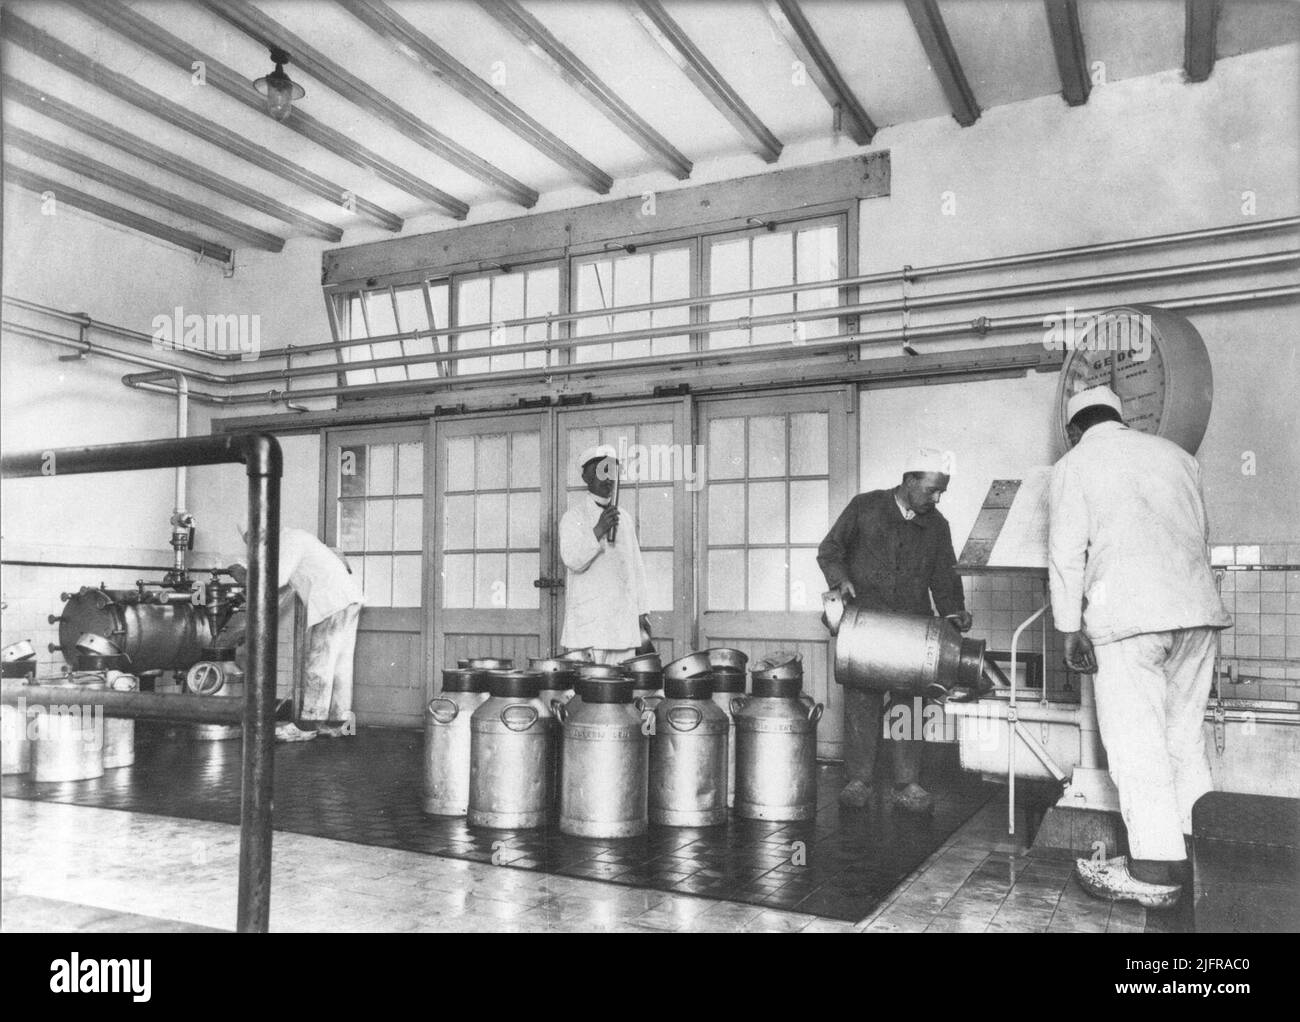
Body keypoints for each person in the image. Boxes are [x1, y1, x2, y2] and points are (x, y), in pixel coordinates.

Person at [1049, 385, 1231, 909]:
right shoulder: (1177, 456)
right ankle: (1199, 858)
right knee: (1183, 738)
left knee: (1136, 743)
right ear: (1121, 418)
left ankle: (1153, 870)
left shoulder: (1076, 463)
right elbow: (1201, 534)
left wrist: (1069, 629)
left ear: (1074, 430)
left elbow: (1066, 554)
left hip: (1129, 622)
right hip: (1197, 615)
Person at [818, 448, 973, 813]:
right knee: (862, 700)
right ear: (909, 481)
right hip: (865, 626)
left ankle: (906, 783)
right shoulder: (865, 507)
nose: (936, 499)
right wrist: (840, 582)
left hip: (913, 632)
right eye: (932, 490)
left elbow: (944, 577)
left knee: (911, 702)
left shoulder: (937, 525)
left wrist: (954, 613)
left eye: (942, 493)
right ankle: (859, 780)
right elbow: (829, 550)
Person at [229, 523, 365, 742]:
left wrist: (243, 575)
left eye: (251, 539)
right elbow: (281, 587)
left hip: (332, 602)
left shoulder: (289, 541)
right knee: (340, 665)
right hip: (348, 598)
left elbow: (275, 580)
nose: (252, 545)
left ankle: (306, 726)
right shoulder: (291, 540)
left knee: (319, 663)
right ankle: (338, 723)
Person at [559, 444, 650, 666]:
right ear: (585, 476)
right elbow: (572, 561)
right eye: (601, 471)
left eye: (611, 471)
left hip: (622, 629)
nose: (608, 478)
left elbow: (636, 568)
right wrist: (599, 530)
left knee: (620, 692)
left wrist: (642, 612)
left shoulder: (624, 518)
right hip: (590, 628)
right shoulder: (573, 517)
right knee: (587, 694)